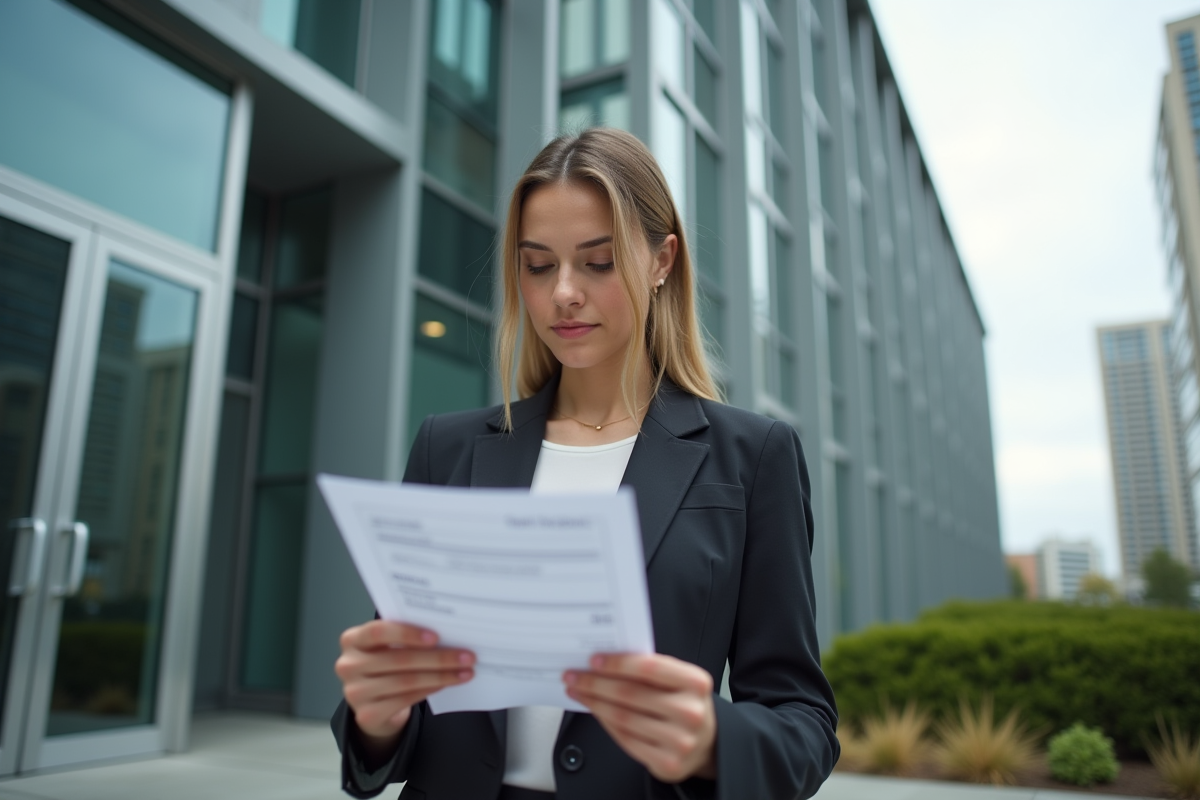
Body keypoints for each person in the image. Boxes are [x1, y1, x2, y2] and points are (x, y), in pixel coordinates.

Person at [331, 128, 839, 800]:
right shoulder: (447, 448)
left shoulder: (751, 457)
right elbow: (399, 709)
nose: (563, 292)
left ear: (662, 260)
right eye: (538, 266)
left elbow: (802, 719)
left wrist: (715, 741)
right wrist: (376, 719)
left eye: (597, 262)